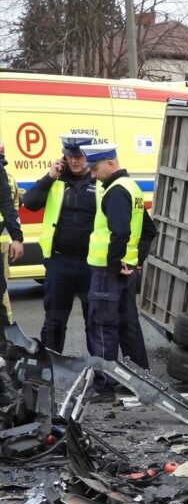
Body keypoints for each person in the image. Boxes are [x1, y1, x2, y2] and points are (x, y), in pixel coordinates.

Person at [80, 142, 155, 398]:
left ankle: (103, 387)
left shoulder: (114, 191)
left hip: (107, 271)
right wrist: (134, 261)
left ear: (110, 164)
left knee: (102, 326)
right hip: (125, 271)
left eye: (95, 168)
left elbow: (120, 232)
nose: (92, 174)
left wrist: (114, 263)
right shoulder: (131, 188)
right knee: (128, 325)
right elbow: (148, 231)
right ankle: (141, 379)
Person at [22, 135, 100, 353]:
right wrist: (49, 176)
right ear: (63, 157)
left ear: (88, 156)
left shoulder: (100, 181)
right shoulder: (55, 181)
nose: (75, 161)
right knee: (54, 321)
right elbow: (29, 203)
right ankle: (51, 370)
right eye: (70, 156)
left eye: (79, 156)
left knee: (94, 322)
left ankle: (98, 374)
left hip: (91, 263)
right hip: (60, 261)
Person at [0, 140, 25, 328]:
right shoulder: (9, 178)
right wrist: (16, 236)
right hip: (4, 239)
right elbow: (12, 210)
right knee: (3, 291)